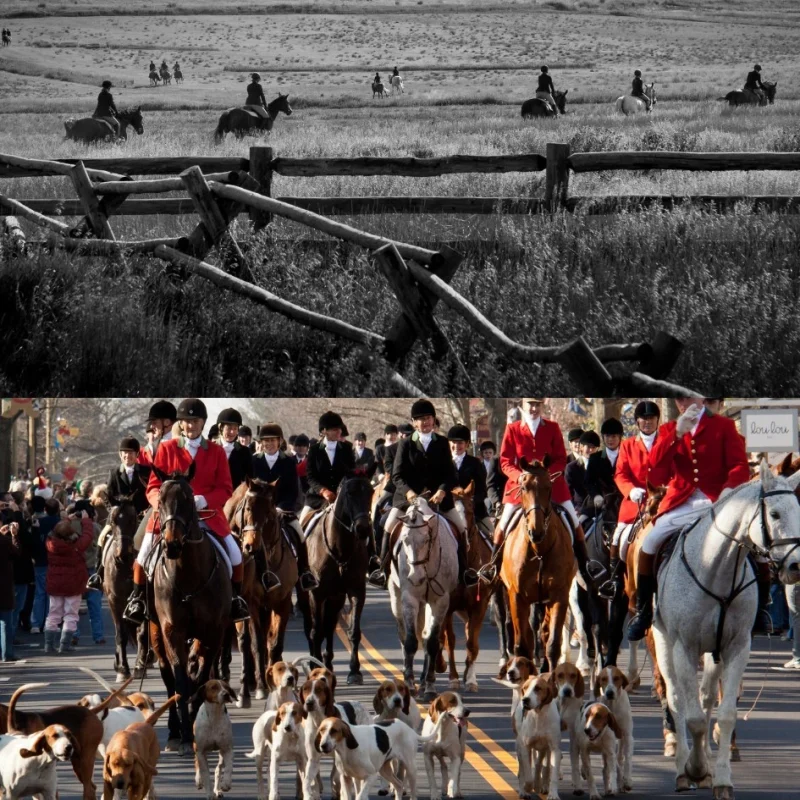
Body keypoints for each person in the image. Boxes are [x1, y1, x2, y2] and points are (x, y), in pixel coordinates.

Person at [627, 396, 752, 641]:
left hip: (718, 499)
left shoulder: (724, 425)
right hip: (682, 502)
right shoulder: (668, 430)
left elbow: (739, 465)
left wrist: (729, 489)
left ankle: (760, 605)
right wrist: (675, 435)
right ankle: (643, 612)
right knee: (649, 542)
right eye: (679, 399)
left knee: (753, 543)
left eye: (687, 397)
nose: (683, 404)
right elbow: (656, 471)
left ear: (701, 397)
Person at [123, 398, 249, 626]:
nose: (191, 425)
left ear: (203, 423)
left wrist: (205, 500)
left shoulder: (216, 451)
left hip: (207, 515)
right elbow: (152, 487)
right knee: (142, 557)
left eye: (195, 421)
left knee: (235, 554)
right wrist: (161, 504)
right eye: (186, 421)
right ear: (180, 424)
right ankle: (138, 600)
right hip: (172, 516)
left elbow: (225, 488)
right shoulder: (167, 448)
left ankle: (236, 600)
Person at [480, 397, 597, 593]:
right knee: (501, 526)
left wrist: (547, 476)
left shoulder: (552, 427)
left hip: (552, 487)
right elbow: (506, 462)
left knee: (576, 524)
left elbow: (560, 458)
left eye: (537, 405)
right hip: (521, 488)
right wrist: (519, 477)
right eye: (530, 404)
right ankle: (493, 568)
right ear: (523, 405)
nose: (534, 408)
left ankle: (586, 569)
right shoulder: (513, 429)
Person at [369, 400, 479, 589]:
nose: (425, 422)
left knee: (461, 527)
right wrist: (409, 493)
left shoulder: (442, 442)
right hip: (408, 500)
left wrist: (442, 490)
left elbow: (450, 474)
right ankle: (383, 570)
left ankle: (464, 571)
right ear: (414, 422)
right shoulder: (405, 444)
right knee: (387, 525)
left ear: (433, 420)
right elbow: (397, 475)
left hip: (438, 500)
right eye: (420, 419)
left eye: (428, 418)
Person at [601, 400, 660, 599]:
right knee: (618, 537)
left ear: (657, 420)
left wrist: (668, 489)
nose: (647, 422)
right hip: (635, 504)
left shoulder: (666, 442)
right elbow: (620, 474)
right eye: (643, 418)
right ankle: (615, 580)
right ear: (637, 422)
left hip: (662, 502)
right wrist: (630, 490)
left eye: (651, 418)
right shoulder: (627, 445)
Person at [252, 423, 318, 592]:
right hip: (257, 512)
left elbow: (292, 491)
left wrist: (281, 508)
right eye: (266, 441)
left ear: (279, 441)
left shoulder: (288, 462)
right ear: (261, 442)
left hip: (282, 509)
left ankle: (305, 572)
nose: (269, 444)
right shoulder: (254, 461)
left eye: (272, 440)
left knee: (299, 533)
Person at [86, 437, 150, 592]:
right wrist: (114, 511)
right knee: (102, 537)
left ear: (137, 454)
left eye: (130, 453)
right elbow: (109, 495)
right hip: (120, 516)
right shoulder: (114, 472)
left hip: (141, 515)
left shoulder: (145, 471)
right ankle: (98, 574)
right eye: (124, 453)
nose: (127, 456)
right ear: (120, 455)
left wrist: (146, 510)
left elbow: (149, 493)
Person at [44, 512, 93, 654]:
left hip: (55, 583)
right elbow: (88, 536)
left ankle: (48, 645)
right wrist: (86, 521)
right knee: (71, 614)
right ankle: (64, 645)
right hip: (73, 584)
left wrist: (66, 520)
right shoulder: (75, 546)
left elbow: (56, 531)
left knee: (53, 614)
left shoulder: (50, 543)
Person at [449, 425, 492, 539]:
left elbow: (482, 490)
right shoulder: (443, 463)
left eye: (460, 443)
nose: (456, 446)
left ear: (467, 444)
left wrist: (471, 501)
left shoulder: (475, 463)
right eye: (453, 442)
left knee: (493, 536)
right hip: (449, 509)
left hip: (475, 511)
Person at [215, 408, 253, 489]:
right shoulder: (211, 448)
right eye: (229, 428)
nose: (232, 432)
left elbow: (251, 478)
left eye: (235, 428)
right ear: (221, 427)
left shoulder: (244, 452)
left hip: (235, 494)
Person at [0, 515, 21, 662]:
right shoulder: (4, 541)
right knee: (5, 622)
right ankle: (7, 653)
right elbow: (17, 553)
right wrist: (14, 536)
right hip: (4, 587)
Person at [480, 440, 506, 519]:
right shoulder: (479, 465)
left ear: (493, 453)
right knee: (488, 504)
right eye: (486, 453)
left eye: (490, 453)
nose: (488, 455)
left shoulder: (496, 463)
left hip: (496, 494)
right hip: (484, 494)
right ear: (482, 454)